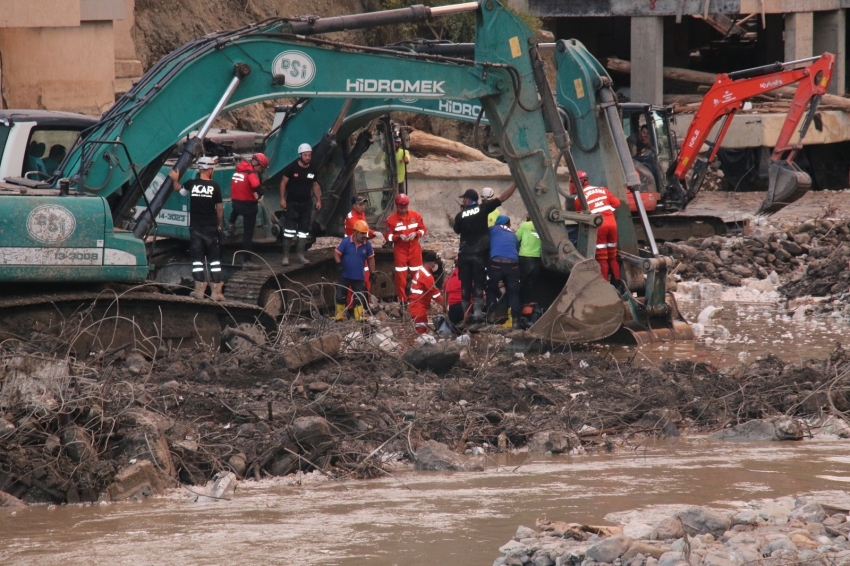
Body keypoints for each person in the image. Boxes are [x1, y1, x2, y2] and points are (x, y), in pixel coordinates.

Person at [453, 183, 516, 323]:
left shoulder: (460, 215)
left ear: (468, 200)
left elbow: (457, 230)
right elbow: (503, 198)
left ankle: (465, 315)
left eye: (464, 199)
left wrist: (462, 213)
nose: (463, 201)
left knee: (466, 283)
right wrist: (516, 185)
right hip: (480, 254)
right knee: (479, 283)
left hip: (464, 254)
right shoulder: (483, 208)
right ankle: (477, 315)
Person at [169, 156, 225, 301]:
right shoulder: (215, 186)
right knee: (214, 261)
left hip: (196, 228)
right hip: (211, 228)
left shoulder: (191, 184)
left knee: (197, 260)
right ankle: (216, 292)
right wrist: (218, 224)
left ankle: (199, 291)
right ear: (210, 170)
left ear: (199, 169)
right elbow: (219, 208)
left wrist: (175, 179)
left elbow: (178, 190)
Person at [572, 170, 622, 283]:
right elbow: (617, 203)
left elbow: (581, 217)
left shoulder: (578, 198)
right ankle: (618, 283)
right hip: (612, 224)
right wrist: (609, 212)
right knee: (613, 257)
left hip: (599, 226)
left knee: (602, 259)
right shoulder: (603, 190)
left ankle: (604, 285)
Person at [280, 143, 323, 265]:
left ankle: (300, 255)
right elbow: (283, 183)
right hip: (293, 203)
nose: (308, 157)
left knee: (303, 231)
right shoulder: (292, 168)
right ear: (300, 155)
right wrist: (282, 199)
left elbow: (315, 185)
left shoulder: (312, 168)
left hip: (306, 204)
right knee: (289, 230)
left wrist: (318, 200)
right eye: (305, 155)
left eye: (309, 155)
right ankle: (285, 256)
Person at [228, 152, 268, 269]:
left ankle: (231, 222)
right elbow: (256, 186)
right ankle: (247, 260)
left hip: (235, 204)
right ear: (256, 164)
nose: (260, 170)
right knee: (248, 234)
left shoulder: (239, 170)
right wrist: (261, 193)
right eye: (261, 167)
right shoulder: (250, 173)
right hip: (248, 206)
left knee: (235, 209)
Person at [385, 194, 426, 304]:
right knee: (401, 278)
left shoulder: (416, 216)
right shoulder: (391, 220)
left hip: (414, 249)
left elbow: (423, 230)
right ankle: (403, 301)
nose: (403, 209)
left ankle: (418, 298)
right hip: (400, 250)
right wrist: (398, 237)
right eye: (401, 207)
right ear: (397, 206)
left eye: (405, 207)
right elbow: (387, 236)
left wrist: (416, 234)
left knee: (417, 276)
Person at [333, 219, 375, 322]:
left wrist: (373, 273)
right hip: (345, 275)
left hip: (358, 276)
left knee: (359, 297)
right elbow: (336, 253)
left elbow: (371, 258)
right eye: (362, 233)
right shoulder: (346, 242)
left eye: (365, 233)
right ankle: (339, 316)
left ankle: (359, 317)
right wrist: (339, 264)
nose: (364, 235)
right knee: (340, 296)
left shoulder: (367, 245)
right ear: (355, 232)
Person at [344, 195, 383, 303]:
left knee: (365, 277)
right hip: (352, 248)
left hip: (361, 245)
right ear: (354, 206)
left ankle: (365, 303)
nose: (363, 207)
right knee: (353, 279)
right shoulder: (352, 218)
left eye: (363, 204)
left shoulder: (361, 214)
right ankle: (352, 307)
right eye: (360, 204)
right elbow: (362, 231)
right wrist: (374, 233)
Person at [486, 215, 522, 328]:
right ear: (508, 224)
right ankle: (516, 320)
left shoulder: (492, 229)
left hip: (496, 263)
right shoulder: (513, 234)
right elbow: (516, 249)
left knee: (491, 289)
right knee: (513, 292)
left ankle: (491, 316)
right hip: (513, 265)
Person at [408, 250, 443, 334]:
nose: (435, 265)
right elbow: (436, 296)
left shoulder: (421, 271)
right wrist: (447, 307)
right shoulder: (427, 276)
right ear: (431, 263)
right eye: (434, 263)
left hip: (416, 305)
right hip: (419, 307)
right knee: (421, 333)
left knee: (420, 330)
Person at [516, 214, 542, 309]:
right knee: (529, 284)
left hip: (525, 258)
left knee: (520, 283)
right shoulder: (542, 226)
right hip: (537, 259)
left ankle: (516, 307)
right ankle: (525, 305)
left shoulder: (525, 225)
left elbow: (516, 238)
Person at [442, 256, 464, 326]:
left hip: (453, 309)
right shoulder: (470, 277)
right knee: (474, 332)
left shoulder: (448, 280)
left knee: (456, 332)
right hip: (467, 308)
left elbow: (445, 300)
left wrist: (445, 310)